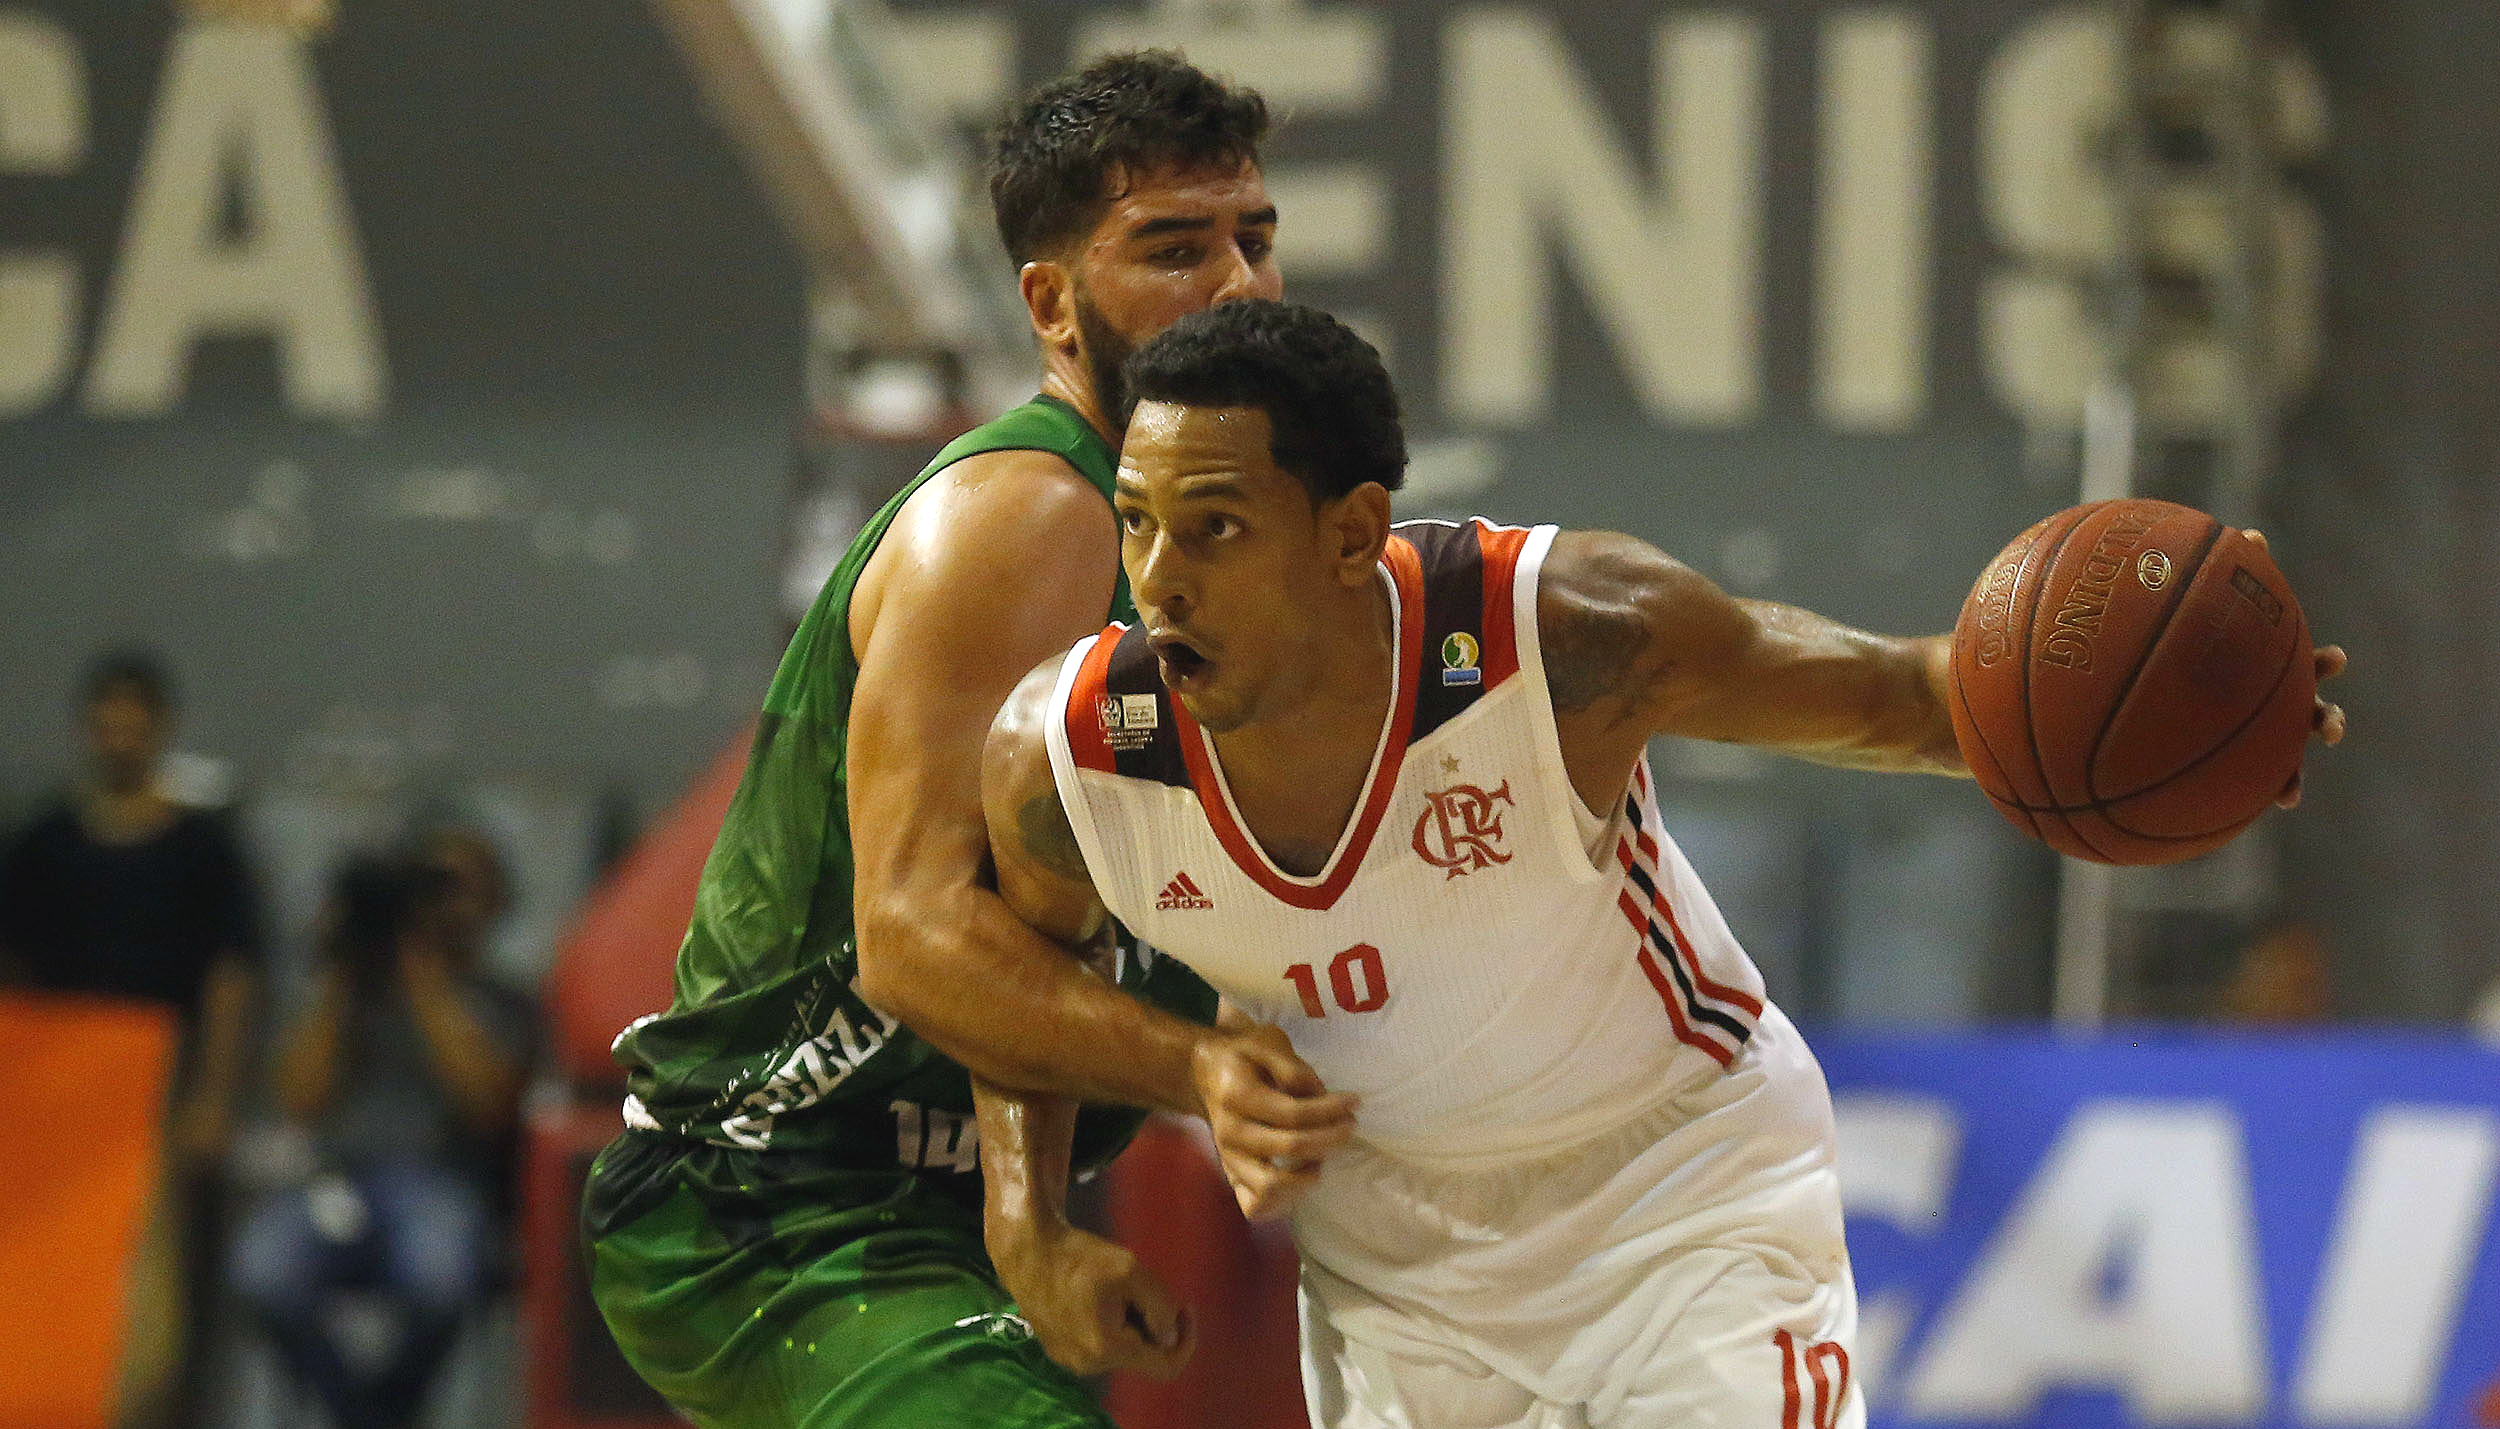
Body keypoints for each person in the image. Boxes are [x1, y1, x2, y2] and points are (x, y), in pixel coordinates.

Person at [976, 299, 2350, 1428]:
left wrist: (2217, 707)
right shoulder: (1073, 756)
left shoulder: (1559, 635)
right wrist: (1028, 1219)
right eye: (1137, 521)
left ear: (1351, 531)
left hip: (1677, 1204)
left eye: (1213, 526)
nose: (1158, 577)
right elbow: (1012, 972)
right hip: (1396, 1278)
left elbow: (1916, 697)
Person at [582, 50, 1355, 1429]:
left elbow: (1034, 905)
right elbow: (920, 936)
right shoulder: (1027, 516)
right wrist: (1196, 1071)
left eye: (1255, 237)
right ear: (1051, 304)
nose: (1239, 283)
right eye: (1176, 248)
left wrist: (1025, 1221)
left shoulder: (1197, 542)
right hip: (768, 1194)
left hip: (924, 1196)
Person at [0, 648, 261, 1429]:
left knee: (151, 1274)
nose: (120, 735)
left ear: (160, 729)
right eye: (107, 720)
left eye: (134, 721)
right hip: (56, 1095)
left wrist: (213, 1092)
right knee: (52, 1263)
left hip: (156, 1083)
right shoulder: (43, 842)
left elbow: (229, 976)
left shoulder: (201, 848)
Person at [229, 830, 535, 1429]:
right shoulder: (347, 992)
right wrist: (343, 972)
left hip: (440, 1182)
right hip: (332, 1182)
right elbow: (301, 1101)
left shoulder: (503, 999)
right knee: (262, 1271)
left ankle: (377, 1413)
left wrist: (424, 975)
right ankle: (365, 1413)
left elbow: (486, 1103)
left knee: (441, 1277)